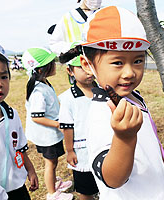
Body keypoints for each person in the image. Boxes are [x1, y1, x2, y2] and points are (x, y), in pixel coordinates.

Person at [59, 6, 164, 199]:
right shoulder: (102, 115)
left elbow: (145, 138)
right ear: (87, 65)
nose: (129, 73)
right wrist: (124, 139)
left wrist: (163, 156)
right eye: (117, 62)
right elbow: (112, 179)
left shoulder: (133, 96)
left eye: (138, 61)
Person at [0, 41, 38, 199]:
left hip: (17, 188)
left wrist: (30, 170)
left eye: (4, 76)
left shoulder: (11, 114)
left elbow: (19, 147)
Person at [22, 47, 73, 200]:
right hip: (46, 135)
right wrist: (59, 124)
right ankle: (52, 193)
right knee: (50, 163)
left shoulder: (43, 83)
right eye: (52, 63)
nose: (55, 64)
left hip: (49, 134)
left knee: (53, 161)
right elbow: (36, 117)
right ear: (41, 69)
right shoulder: (38, 91)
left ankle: (53, 183)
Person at [58, 44, 99, 200]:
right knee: (86, 190)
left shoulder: (103, 90)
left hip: (104, 146)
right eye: (81, 67)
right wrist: (70, 151)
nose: (88, 71)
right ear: (70, 70)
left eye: (90, 65)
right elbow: (67, 127)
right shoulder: (68, 98)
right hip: (82, 152)